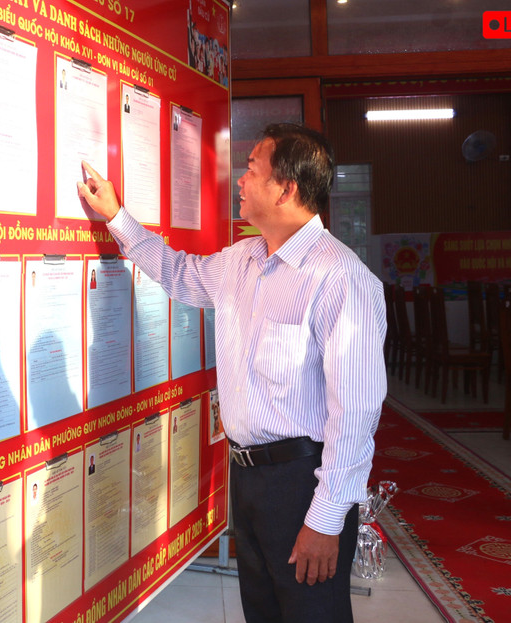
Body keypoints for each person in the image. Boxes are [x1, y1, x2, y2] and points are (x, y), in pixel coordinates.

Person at [77, 123, 386, 623]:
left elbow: (356, 413)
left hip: (303, 483)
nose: (240, 181)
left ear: (285, 189)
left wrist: (327, 519)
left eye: (252, 169)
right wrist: (117, 216)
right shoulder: (242, 260)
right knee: (262, 612)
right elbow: (177, 272)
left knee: (311, 614)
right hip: (247, 478)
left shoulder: (340, 277)